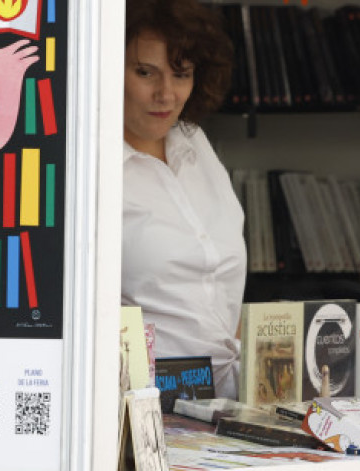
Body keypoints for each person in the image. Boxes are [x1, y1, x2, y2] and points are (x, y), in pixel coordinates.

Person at [120, 0, 245, 399]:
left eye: (181, 74)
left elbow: (223, 288)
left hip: (231, 394)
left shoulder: (194, 142)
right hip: (147, 403)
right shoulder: (91, 168)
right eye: (145, 72)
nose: (166, 94)